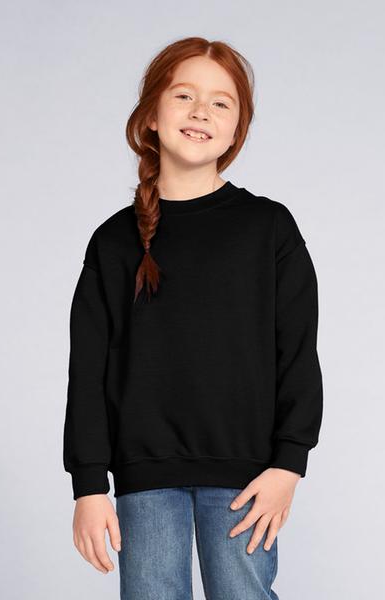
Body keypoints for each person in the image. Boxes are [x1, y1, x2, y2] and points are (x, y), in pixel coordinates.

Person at [63, 36, 323, 600]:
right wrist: (89, 485)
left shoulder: (268, 228)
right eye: (184, 95)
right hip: (144, 476)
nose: (201, 111)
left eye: (220, 102)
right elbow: (87, 372)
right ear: (151, 116)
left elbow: (298, 352)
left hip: (247, 476)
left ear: (235, 132)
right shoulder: (113, 241)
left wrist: (289, 465)